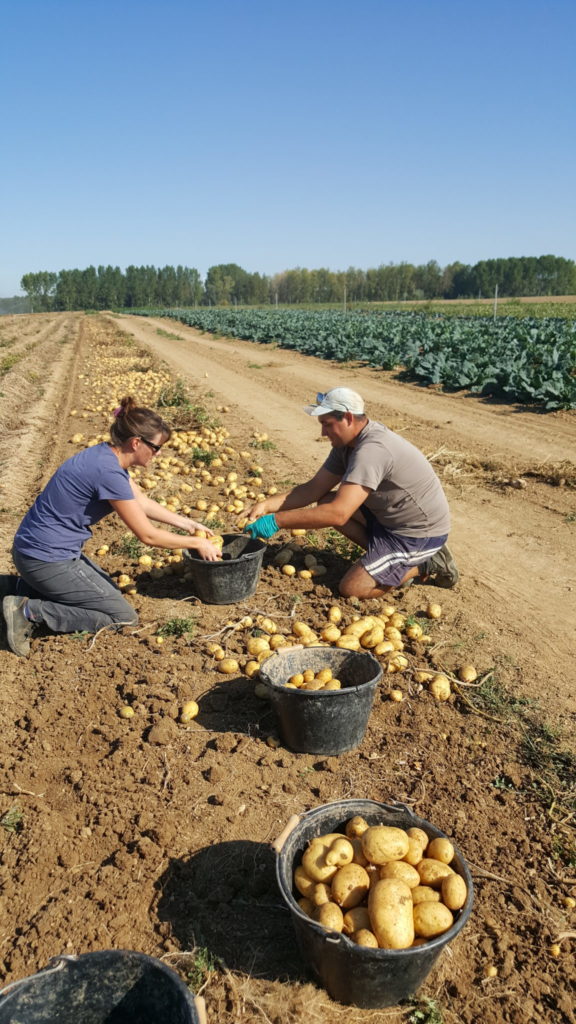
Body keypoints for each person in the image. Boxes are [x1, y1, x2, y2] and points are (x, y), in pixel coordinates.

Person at [1, 396, 221, 657]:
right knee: (121, 617)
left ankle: (17, 588)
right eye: (156, 448)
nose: (159, 454)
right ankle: (28, 611)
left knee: (108, 592)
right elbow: (147, 535)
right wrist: (197, 542)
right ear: (136, 443)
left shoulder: (105, 456)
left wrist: (188, 524)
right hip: (46, 559)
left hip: (36, 551)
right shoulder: (108, 472)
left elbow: (141, 501)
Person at [244, 386, 458, 599]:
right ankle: (387, 560)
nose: (323, 433)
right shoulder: (346, 445)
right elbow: (313, 488)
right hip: (390, 521)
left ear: (347, 418)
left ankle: (426, 564)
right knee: (326, 500)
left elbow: (338, 514)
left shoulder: (372, 450)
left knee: (352, 589)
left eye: (327, 425)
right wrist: (265, 506)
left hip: (417, 534)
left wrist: (277, 521)